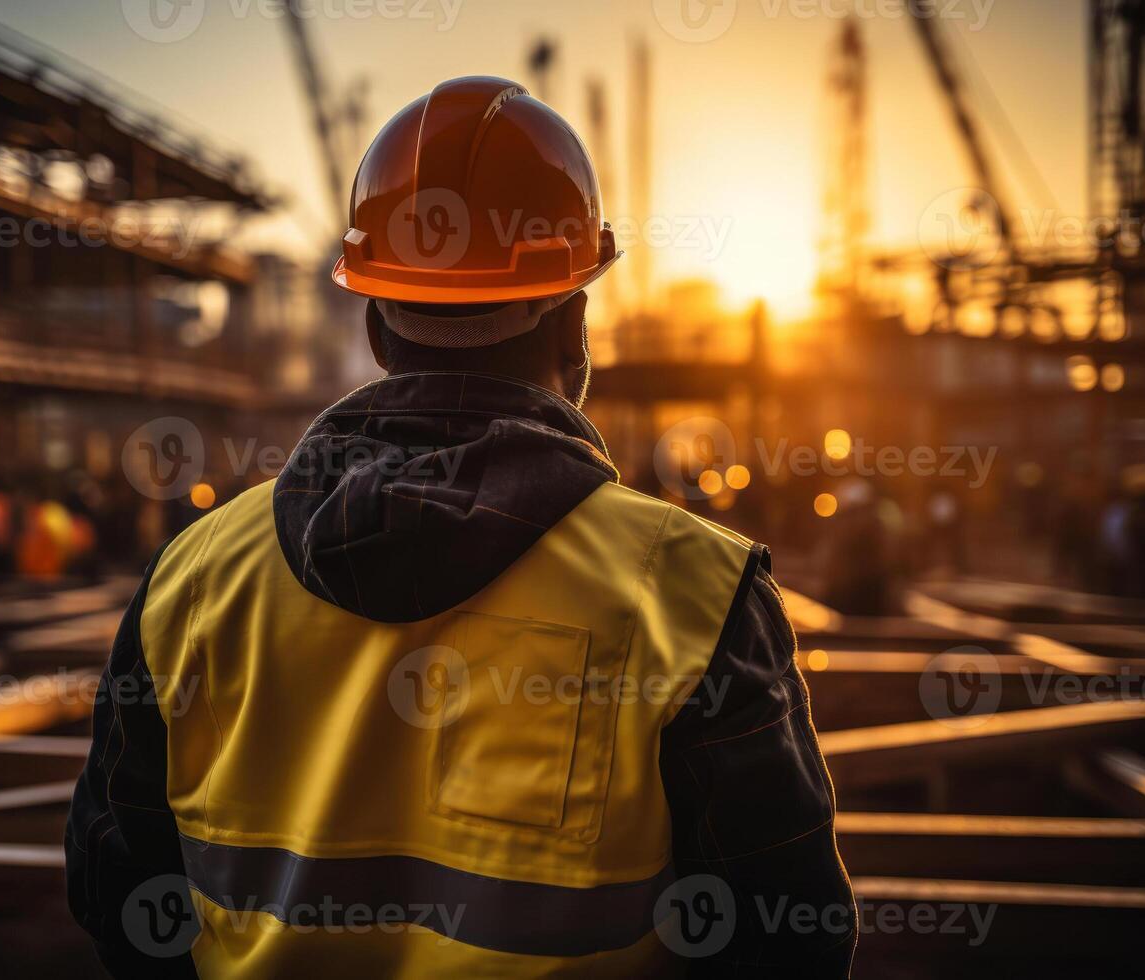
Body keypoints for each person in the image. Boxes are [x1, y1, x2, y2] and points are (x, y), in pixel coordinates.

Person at [67, 76, 855, 977]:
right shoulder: (694, 595)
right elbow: (790, 944)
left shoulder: (192, 579)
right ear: (576, 322)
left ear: (375, 323)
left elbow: (119, 899)